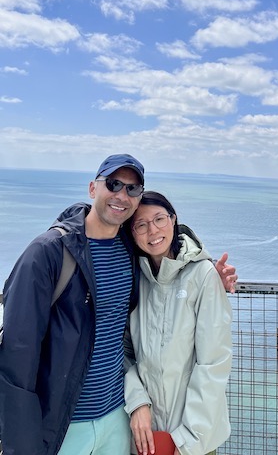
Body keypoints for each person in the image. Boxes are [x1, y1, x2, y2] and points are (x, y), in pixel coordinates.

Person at [0, 154, 237, 455]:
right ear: (92, 188)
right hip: (65, 425)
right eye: (113, 184)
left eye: (132, 189)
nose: (122, 195)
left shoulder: (129, 255)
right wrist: (21, 444)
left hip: (118, 419)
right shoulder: (47, 253)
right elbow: (17, 354)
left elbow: (135, 328)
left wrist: (210, 276)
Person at [124, 191, 232, 455]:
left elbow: (213, 364)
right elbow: (123, 352)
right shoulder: (133, 278)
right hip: (145, 435)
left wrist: (186, 441)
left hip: (195, 439)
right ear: (132, 233)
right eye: (141, 224)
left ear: (173, 220)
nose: (153, 231)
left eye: (160, 219)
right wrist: (138, 402)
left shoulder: (203, 275)